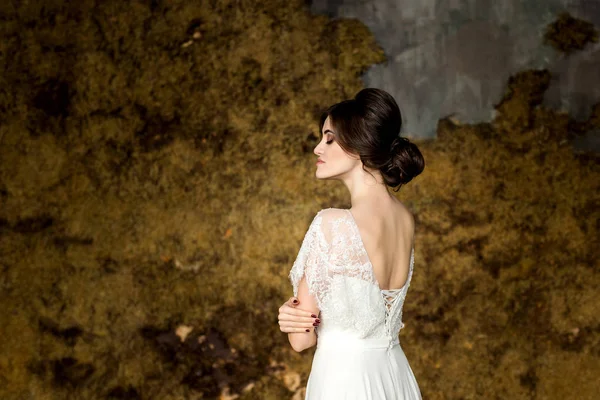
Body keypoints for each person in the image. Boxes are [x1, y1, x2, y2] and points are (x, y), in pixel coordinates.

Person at [277, 88, 425, 399]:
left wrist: (289, 317)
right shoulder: (404, 219)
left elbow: (301, 342)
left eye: (329, 138)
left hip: (345, 381)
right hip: (395, 376)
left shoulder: (332, 223)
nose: (318, 148)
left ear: (359, 146)